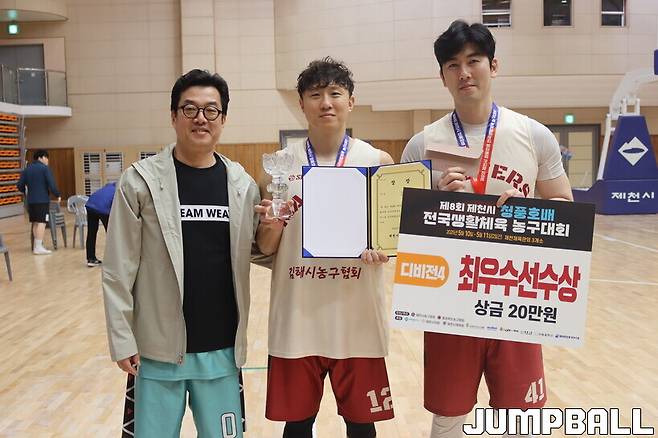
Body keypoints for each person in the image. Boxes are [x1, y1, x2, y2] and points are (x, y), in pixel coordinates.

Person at [401, 20, 573, 438]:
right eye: (453, 65)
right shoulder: (422, 144)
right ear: (442, 76)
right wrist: (435, 198)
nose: (464, 72)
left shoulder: (534, 135)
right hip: (449, 301)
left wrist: (527, 212)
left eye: (473, 60)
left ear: (493, 65)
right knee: (449, 417)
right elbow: (397, 226)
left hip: (514, 296)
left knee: (519, 418)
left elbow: (564, 207)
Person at [102, 69, 260, 438]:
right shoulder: (140, 181)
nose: (200, 118)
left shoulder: (242, 185)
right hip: (157, 352)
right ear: (173, 116)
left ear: (223, 119)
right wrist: (122, 338)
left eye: (211, 110)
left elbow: (262, 249)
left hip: (222, 351)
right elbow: (117, 268)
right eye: (189, 109)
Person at [255, 57, 395, 438]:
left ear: (351, 101)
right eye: (316, 95)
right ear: (302, 104)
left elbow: (390, 242)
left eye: (335, 93)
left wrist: (383, 251)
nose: (326, 103)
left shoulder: (377, 162)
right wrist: (273, 226)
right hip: (298, 316)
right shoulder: (279, 166)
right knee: (297, 425)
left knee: (362, 426)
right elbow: (266, 246)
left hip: (357, 317)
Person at [17, 149, 61, 255]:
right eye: (46, 158)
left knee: (35, 222)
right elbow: (51, 184)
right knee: (42, 222)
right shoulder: (44, 169)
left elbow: (19, 185)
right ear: (41, 157)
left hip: (30, 201)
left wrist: (26, 192)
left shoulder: (27, 169)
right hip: (42, 200)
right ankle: (38, 246)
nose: (47, 160)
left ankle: (37, 246)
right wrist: (57, 194)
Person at [84, 181, 115, 267]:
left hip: (90, 205)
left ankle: (91, 259)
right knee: (111, 235)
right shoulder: (119, 190)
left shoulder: (109, 186)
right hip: (103, 208)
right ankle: (112, 260)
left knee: (91, 232)